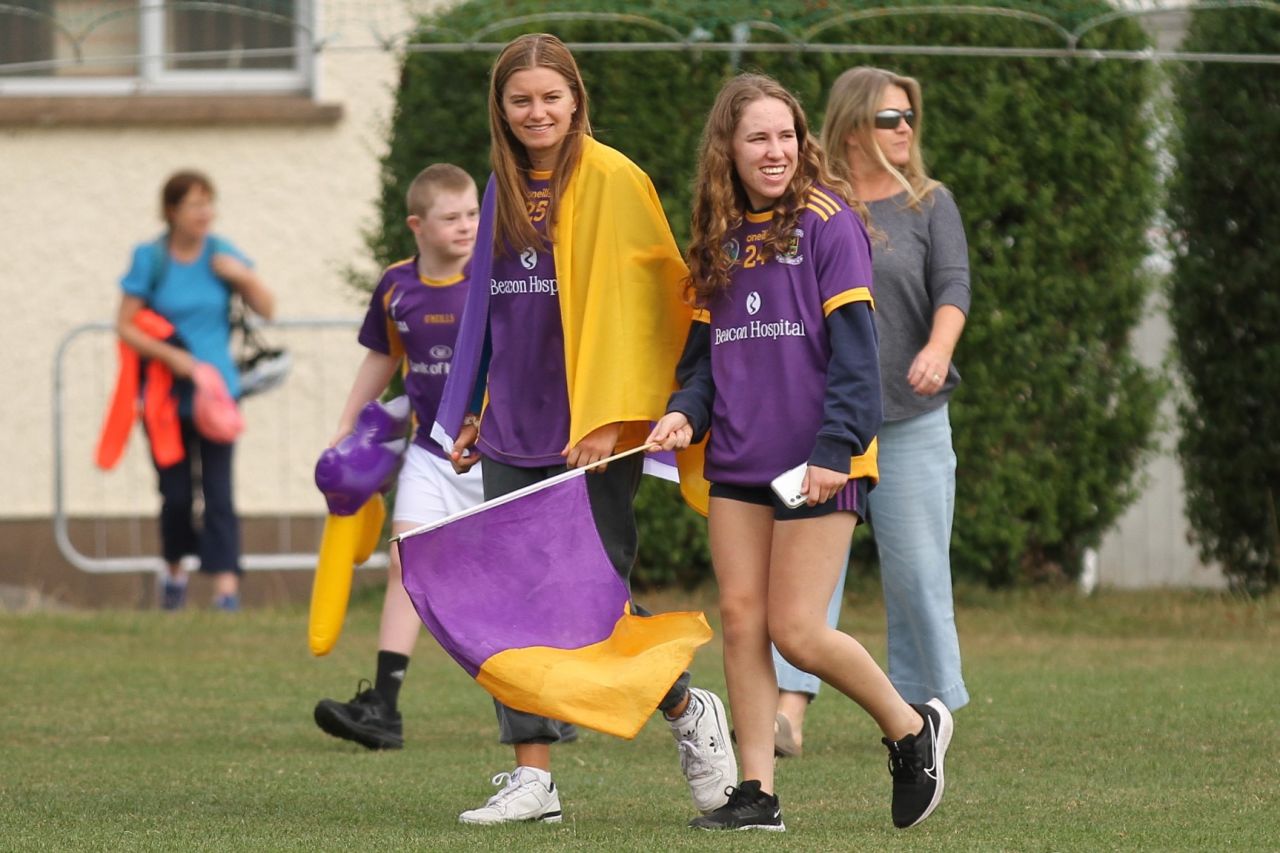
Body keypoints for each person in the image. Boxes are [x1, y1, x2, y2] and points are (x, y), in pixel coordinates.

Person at [441, 33, 736, 826]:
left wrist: (614, 415)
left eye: (550, 96)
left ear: (576, 99)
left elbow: (656, 309)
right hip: (511, 423)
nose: (536, 112)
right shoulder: (501, 188)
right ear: (501, 110)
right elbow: (492, 312)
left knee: (589, 605)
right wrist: (472, 402)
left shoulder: (614, 178)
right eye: (520, 99)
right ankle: (532, 778)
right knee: (511, 603)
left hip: (594, 432)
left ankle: (687, 710)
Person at [647, 73, 952, 832]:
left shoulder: (829, 219)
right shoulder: (719, 234)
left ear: (803, 139)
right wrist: (684, 416)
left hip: (820, 458)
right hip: (741, 465)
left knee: (797, 630)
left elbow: (857, 354)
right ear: (729, 147)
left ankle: (912, 728)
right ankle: (757, 793)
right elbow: (704, 361)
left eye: (785, 135)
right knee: (743, 621)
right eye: (758, 137)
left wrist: (835, 447)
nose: (775, 151)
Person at [768, 67, 974, 751]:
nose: (906, 126)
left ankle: (929, 713)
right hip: (826, 424)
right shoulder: (817, 204)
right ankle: (787, 714)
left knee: (917, 572)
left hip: (910, 420)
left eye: (910, 114)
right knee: (804, 576)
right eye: (891, 116)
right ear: (854, 125)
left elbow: (953, 285)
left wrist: (939, 349)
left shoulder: (929, 201)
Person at [312, 163, 502, 750]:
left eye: (473, 213)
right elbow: (381, 357)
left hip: (493, 452)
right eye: (452, 218)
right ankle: (384, 708)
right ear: (417, 225)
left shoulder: (495, 279)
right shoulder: (397, 286)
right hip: (428, 451)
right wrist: (347, 424)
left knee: (510, 578)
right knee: (405, 562)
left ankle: (540, 703)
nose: (467, 226)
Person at [115, 170, 275, 612]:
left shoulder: (221, 253)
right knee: (178, 493)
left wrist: (242, 276)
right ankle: (174, 574)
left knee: (220, 492)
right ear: (172, 211)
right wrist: (173, 359)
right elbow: (124, 323)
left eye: (209, 202)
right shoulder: (151, 258)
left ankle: (226, 589)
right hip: (165, 396)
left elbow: (268, 308)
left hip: (218, 395)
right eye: (194, 204)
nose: (205, 212)